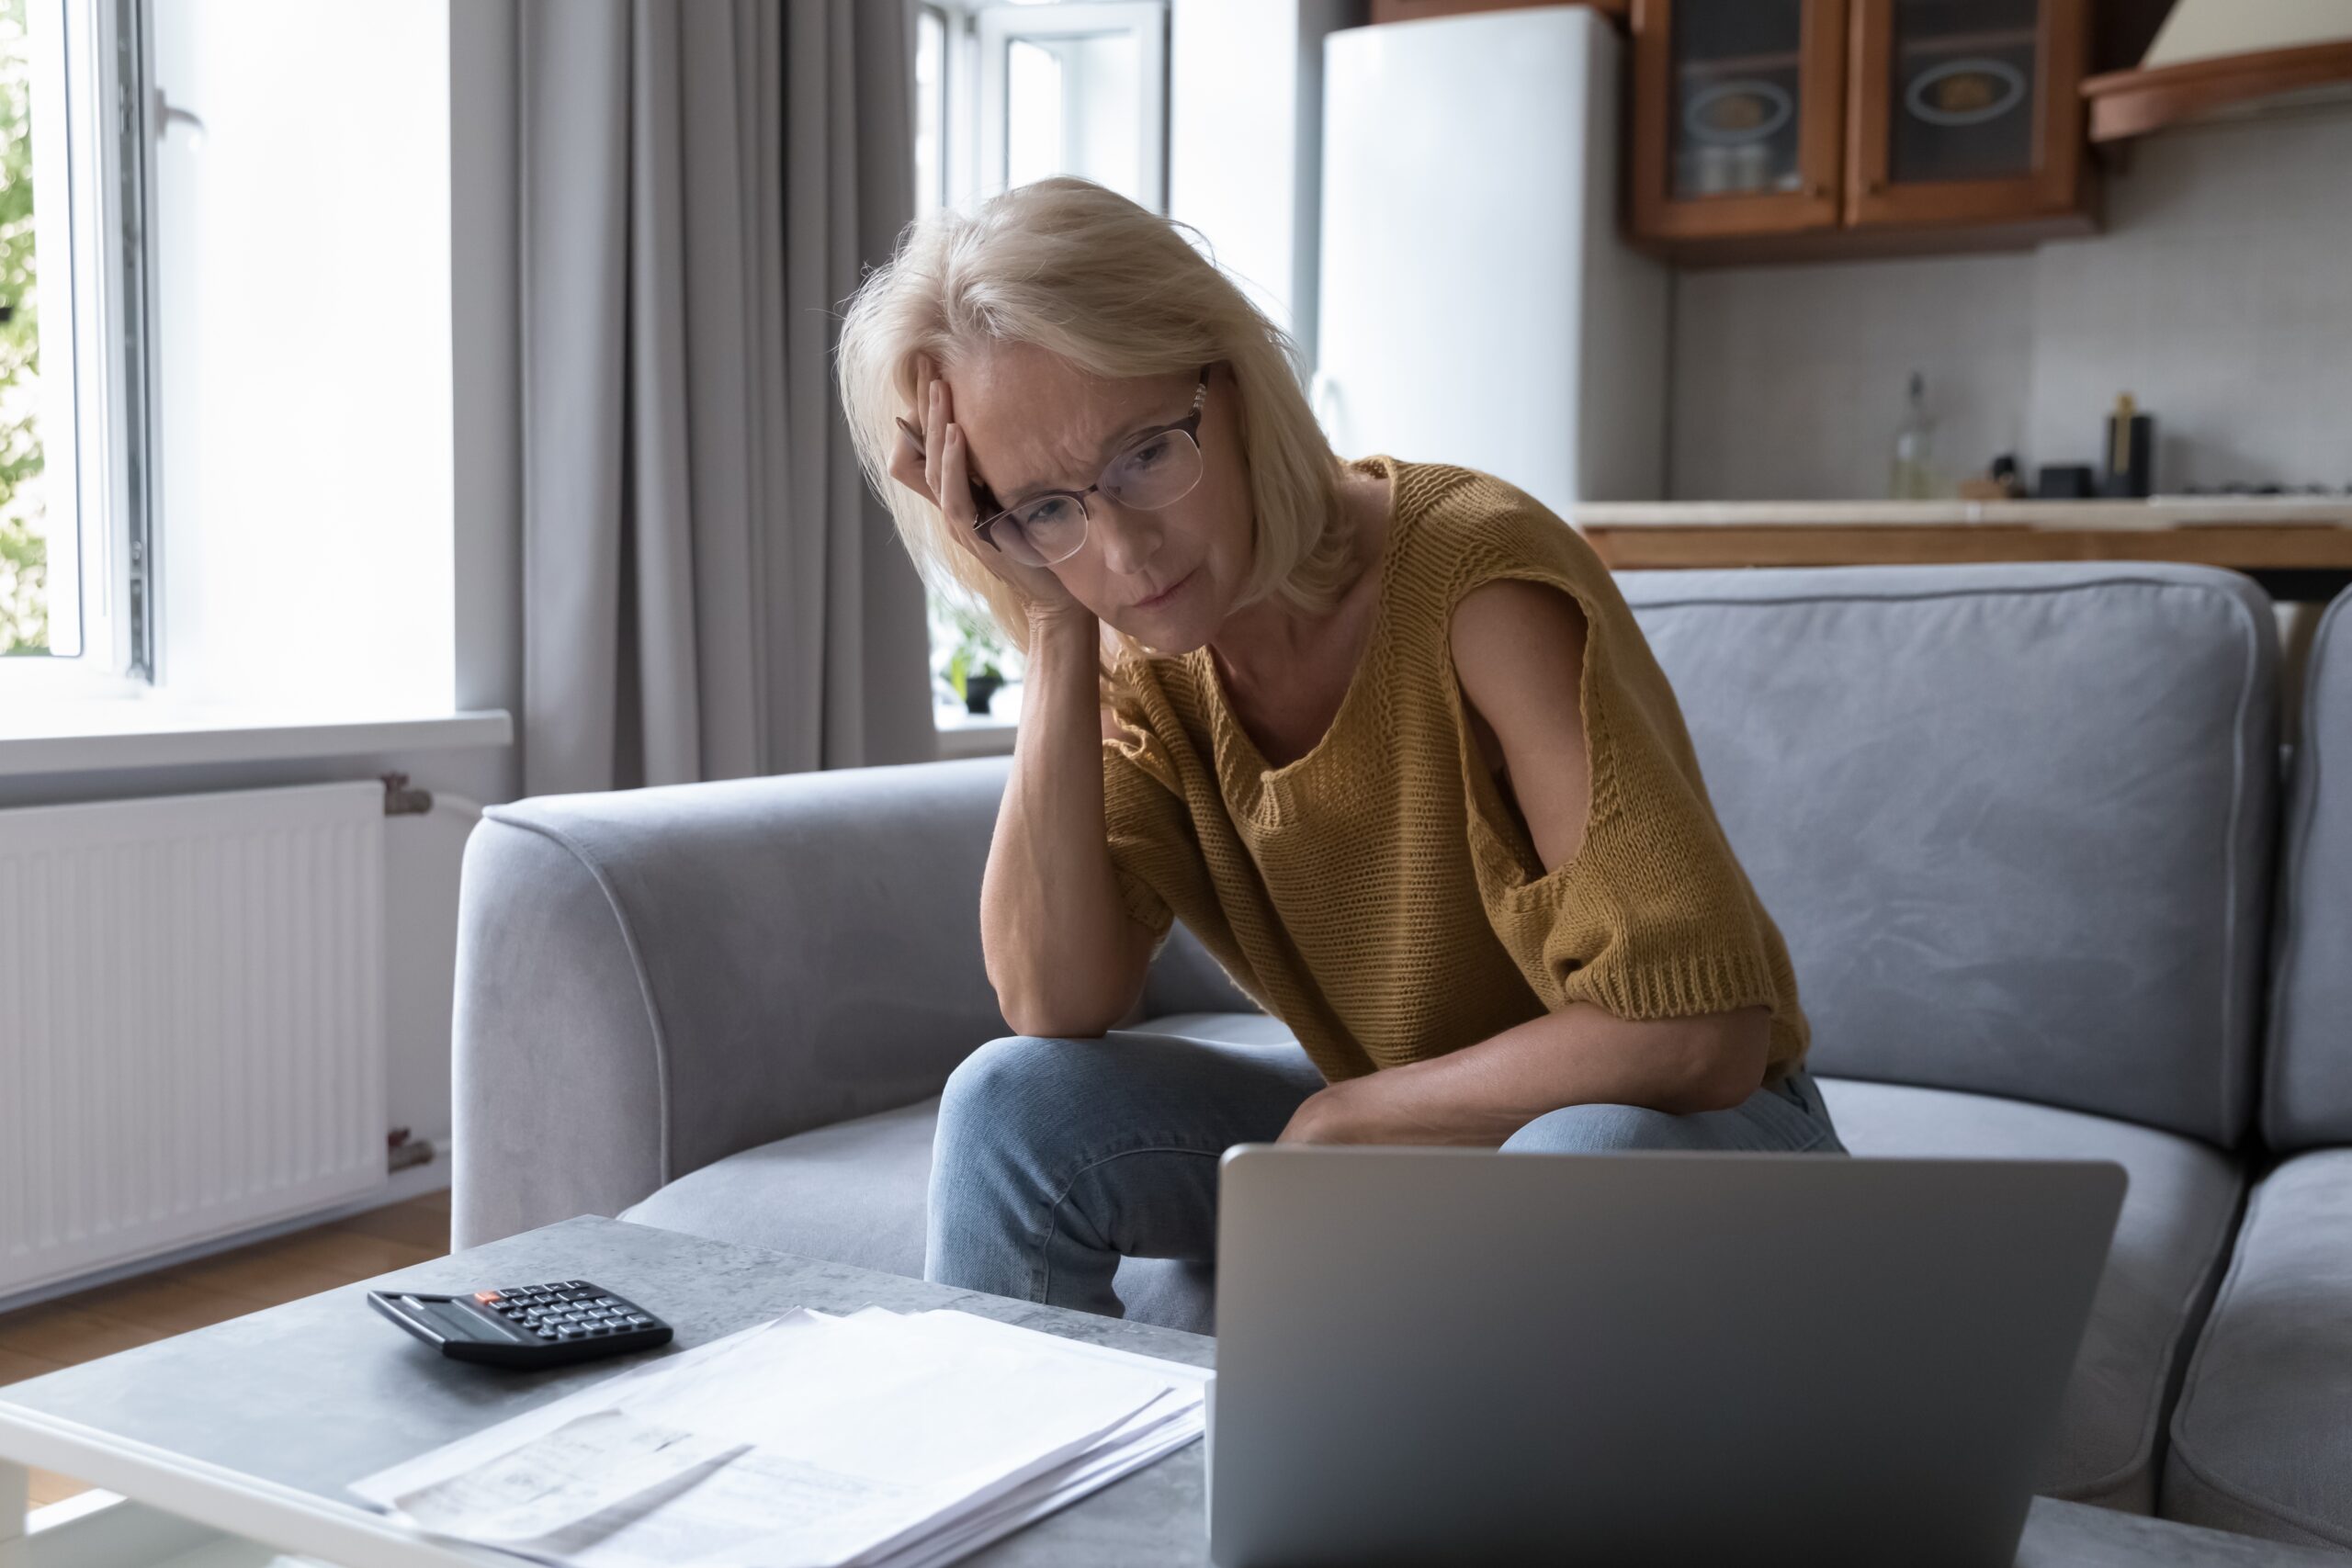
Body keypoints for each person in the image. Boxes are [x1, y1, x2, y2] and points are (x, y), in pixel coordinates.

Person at [836, 177, 1842, 1321]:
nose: (1120, 551)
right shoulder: (1132, 647)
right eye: (1046, 508)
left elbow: (1697, 1036)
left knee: (1583, 1149)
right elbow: (1055, 1000)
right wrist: (1053, 627)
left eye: (1147, 456)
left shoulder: (1473, 581)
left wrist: (1343, 1117)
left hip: (1696, 1144)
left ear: (1234, 385)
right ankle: (1039, 1494)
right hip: (1416, 1138)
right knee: (1012, 1101)